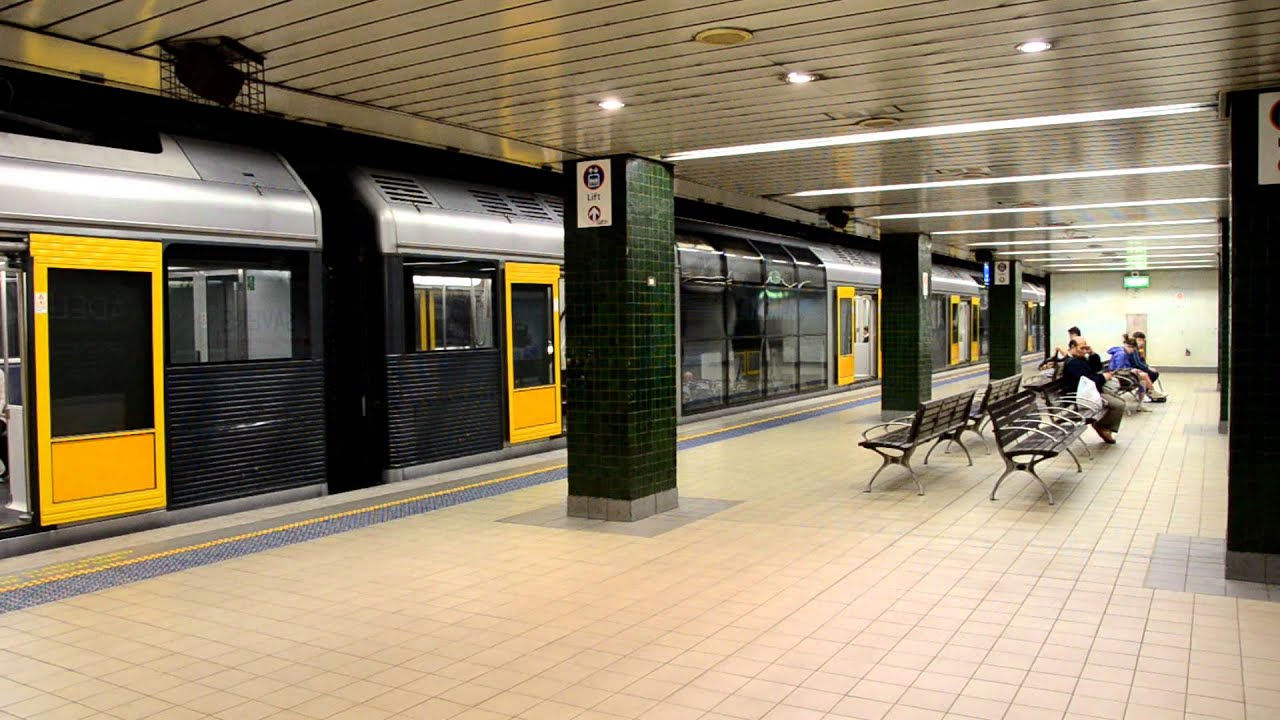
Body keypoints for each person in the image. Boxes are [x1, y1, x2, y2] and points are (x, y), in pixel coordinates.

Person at [1062, 337, 1124, 443]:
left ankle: (1104, 426)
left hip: (1092, 391)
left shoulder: (1079, 359)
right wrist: (1104, 377)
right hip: (1084, 395)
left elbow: (1096, 368)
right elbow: (1090, 381)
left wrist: (1092, 354)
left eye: (1086, 348)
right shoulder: (1073, 363)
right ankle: (1102, 426)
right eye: (1082, 348)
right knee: (1119, 404)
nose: (1085, 350)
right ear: (1073, 347)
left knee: (1119, 402)